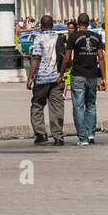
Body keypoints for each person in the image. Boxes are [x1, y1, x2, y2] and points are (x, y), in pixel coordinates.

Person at [63, 13, 105, 146]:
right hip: (92, 75)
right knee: (91, 105)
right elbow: (101, 58)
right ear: (89, 23)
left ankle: (83, 138)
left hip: (78, 75)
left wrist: (61, 73)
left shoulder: (73, 37)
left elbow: (67, 58)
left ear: (77, 22)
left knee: (78, 106)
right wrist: (104, 78)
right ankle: (91, 134)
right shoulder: (96, 37)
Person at [28, 14, 65, 145]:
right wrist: (62, 75)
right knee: (56, 107)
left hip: (42, 78)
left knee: (37, 105)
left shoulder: (38, 38)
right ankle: (58, 136)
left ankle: (41, 133)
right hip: (56, 78)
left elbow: (35, 58)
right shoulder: (58, 38)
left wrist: (30, 77)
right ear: (52, 25)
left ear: (41, 26)